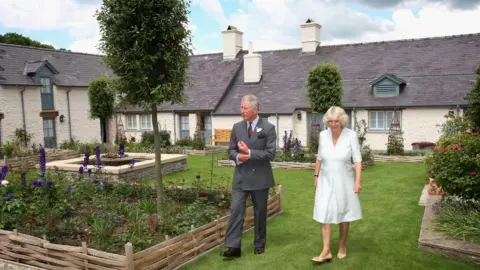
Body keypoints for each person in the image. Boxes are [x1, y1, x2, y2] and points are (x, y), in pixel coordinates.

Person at [220, 94, 277, 258]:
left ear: (255, 109)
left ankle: (259, 243)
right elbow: (230, 150)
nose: (242, 111)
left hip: (260, 178)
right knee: (236, 210)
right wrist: (238, 157)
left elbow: (270, 154)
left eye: (245, 108)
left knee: (260, 213)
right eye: (241, 107)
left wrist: (249, 153)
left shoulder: (268, 128)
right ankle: (233, 247)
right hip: (240, 177)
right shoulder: (237, 127)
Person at [312, 106, 363, 263]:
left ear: (342, 121)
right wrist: (316, 175)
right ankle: (326, 250)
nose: (333, 124)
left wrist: (358, 181)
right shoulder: (323, 135)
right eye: (330, 121)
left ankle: (342, 245)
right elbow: (320, 156)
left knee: (343, 213)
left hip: (344, 180)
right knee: (323, 213)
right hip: (325, 180)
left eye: (336, 121)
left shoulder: (351, 135)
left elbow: (358, 160)